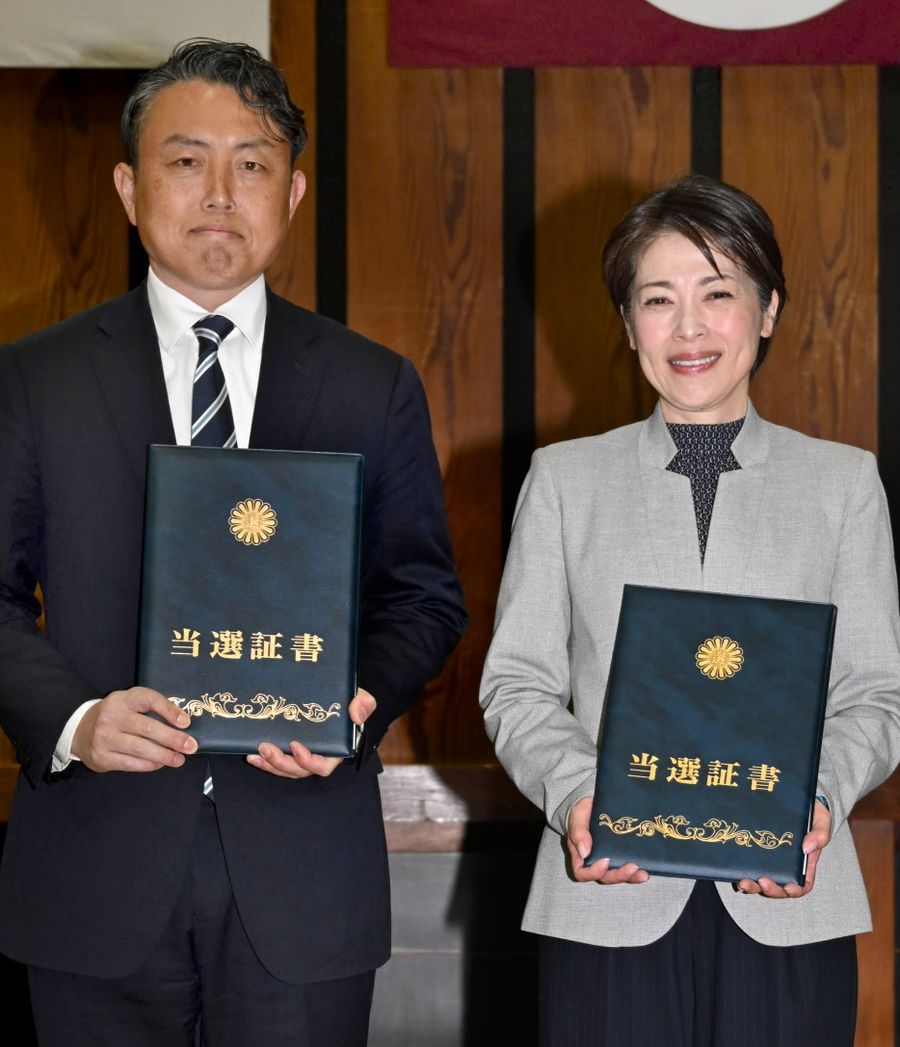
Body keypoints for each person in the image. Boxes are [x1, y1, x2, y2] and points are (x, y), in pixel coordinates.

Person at [0, 38, 466, 1047]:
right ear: (129, 186)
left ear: (293, 193)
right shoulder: (34, 382)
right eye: (186, 160)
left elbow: (423, 599)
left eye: (251, 164)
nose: (220, 192)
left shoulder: (369, 384)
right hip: (95, 868)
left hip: (303, 874)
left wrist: (356, 705)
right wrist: (76, 721)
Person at [479, 174, 900, 1046]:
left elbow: (876, 695)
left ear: (769, 309)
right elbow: (516, 685)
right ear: (629, 324)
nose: (690, 328)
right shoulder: (564, 481)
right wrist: (580, 791)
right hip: (607, 894)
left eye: (719, 294)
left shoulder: (844, 484)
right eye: (658, 299)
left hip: (788, 898)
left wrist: (813, 800)